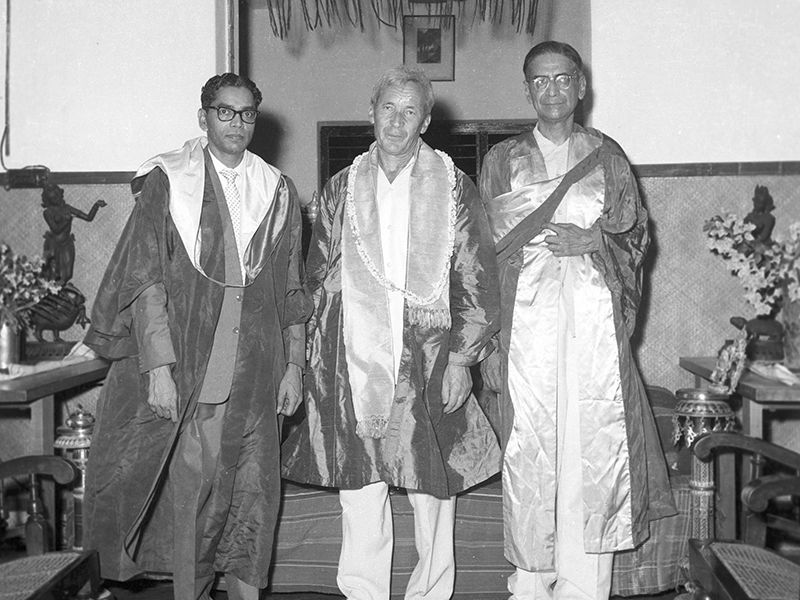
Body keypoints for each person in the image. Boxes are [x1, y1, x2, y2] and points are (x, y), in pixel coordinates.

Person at [80, 73, 312, 600]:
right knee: (195, 500)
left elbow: (292, 289)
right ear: (203, 115)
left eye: (247, 113)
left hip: (257, 371)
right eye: (225, 112)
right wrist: (158, 367)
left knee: (256, 492)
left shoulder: (276, 188)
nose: (237, 123)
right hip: (192, 367)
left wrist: (295, 366)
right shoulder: (169, 180)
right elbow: (145, 280)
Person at [282, 66, 501, 600]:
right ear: (371, 113)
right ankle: (363, 592)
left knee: (432, 484)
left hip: (429, 357)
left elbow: (474, 273)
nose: (397, 122)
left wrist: (461, 361)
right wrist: (308, 351)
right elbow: (316, 273)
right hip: (353, 354)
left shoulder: (452, 185)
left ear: (425, 121)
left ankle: (430, 593)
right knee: (360, 484)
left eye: (409, 112)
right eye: (388, 109)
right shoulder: (341, 186)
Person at [478, 41, 675, 600]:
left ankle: (587, 587)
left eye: (562, 79)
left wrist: (597, 240)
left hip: (591, 331)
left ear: (580, 86)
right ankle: (531, 584)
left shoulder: (608, 157)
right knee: (530, 448)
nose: (552, 90)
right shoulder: (503, 161)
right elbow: (480, 258)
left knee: (591, 450)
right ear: (527, 90)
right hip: (524, 334)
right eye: (540, 81)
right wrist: (490, 345)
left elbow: (636, 238)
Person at [41, 182, 106, 283]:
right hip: (53, 245)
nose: (57, 199)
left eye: (57, 196)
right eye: (53, 199)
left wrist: (96, 205)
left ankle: (60, 291)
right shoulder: (47, 212)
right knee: (53, 273)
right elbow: (56, 229)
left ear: (60, 194)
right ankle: (53, 293)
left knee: (67, 274)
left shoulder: (67, 208)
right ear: (48, 200)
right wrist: (67, 221)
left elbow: (88, 218)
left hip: (67, 243)